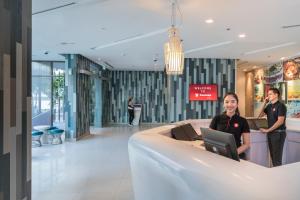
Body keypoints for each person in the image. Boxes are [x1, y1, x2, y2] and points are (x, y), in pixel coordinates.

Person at [209, 92, 250, 159]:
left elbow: (247, 144)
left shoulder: (243, 121)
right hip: (219, 155)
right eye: (227, 102)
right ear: (224, 104)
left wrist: (233, 154)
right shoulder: (217, 118)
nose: (230, 105)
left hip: (236, 155)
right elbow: (210, 138)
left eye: (233, 102)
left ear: (237, 104)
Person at [258, 88, 287, 167]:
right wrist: (264, 103)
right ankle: (276, 175)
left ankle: (279, 177)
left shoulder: (281, 106)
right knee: (273, 157)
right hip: (271, 133)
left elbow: (280, 121)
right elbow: (259, 116)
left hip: (278, 134)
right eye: (268, 94)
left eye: (270, 94)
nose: (268, 96)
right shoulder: (269, 106)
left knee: (277, 159)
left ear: (276, 95)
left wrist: (268, 130)